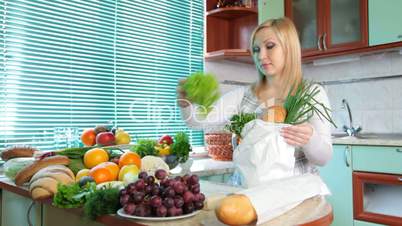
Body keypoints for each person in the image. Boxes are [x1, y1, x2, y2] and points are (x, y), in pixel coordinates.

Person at [177, 17, 332, 176]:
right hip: (255, 193)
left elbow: (324, 158)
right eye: (256, 49)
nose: (261, 56)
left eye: (270, 46)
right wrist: (186, 103)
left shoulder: (312, 94)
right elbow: (199, 121)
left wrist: (310, 139)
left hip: (299, 193)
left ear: (289, 48)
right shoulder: (244, 95)